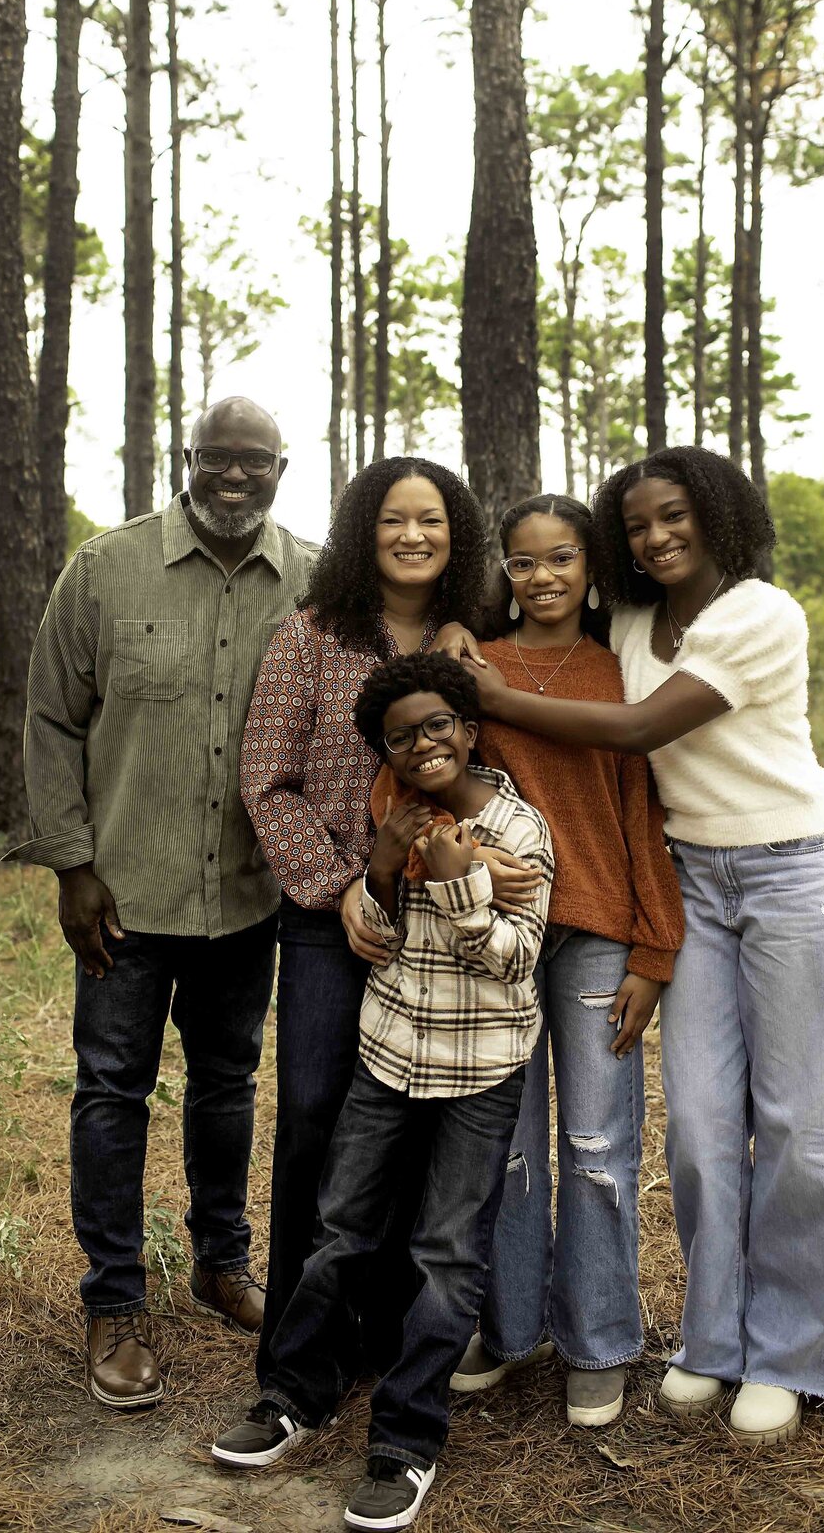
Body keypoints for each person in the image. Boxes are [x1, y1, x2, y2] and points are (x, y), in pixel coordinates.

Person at [447, 449, 824, 1446]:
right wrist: (469, 626)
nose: (655, 537)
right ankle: (715, 1343)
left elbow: (634, 729)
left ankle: (796, 1354)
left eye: (673, 516)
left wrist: (491, 694)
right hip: (695, 880)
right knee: (702, 1129)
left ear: (716, 515)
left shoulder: (760, 613)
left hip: (790, 867)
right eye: (636, 525)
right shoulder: (633, 622)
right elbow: (539, 609)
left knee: (798, 1121)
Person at [7, 397, 315, 1409]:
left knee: (227, 1089)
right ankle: (115, 1300)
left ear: (282, 467)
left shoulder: (312, 580)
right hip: (124, 898)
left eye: (254, 462)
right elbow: (53, 722)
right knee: (111, 1093)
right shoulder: (106, 570)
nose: (234, 476)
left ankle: (223, 1263)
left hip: (247, 895)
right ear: (188, 459)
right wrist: (70, 865)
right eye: (216, 459)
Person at [214, 653, 554, 1531]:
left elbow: (518, 963)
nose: (422, 744)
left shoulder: (519, 830)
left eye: (437, 726)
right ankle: (295, 1392)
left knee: (446, 1253)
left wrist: (461, 885)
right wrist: (383, 871)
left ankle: (405, 1441)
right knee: (340, 1231)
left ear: (468, 730)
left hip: (480, 1073)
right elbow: (376, 930)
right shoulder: (396, 818)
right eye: (400, 736)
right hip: (390, 1057)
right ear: (385, 752)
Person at [241, 457, 519, 1379]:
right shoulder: (312, 636)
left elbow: (491, 776)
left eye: (432, 522)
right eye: (394, 520)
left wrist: (486, 864)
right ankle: (299, 1351)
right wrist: (342, 887)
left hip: (445, 929)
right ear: (365, 531)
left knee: (419, 1133)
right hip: (334, 921)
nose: (413, 536)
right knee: (317, 1118)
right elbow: (266, 783)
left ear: (458, 537)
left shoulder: (472, 643)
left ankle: (397, 1342)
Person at [447, 495, 684, 1429]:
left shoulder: (618, 673)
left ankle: (597, 1340)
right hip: (499, 942)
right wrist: (459, 856)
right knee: (506, 1153)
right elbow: (420, 771)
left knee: (596, 1149)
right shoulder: (475, 669)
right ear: (504, 572)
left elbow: (643, 818)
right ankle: (509, 1329)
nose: (543, 577)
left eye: (562, 559)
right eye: (524, 562)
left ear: (590, 569)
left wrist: (654, 949)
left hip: (594, 936)